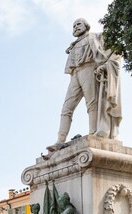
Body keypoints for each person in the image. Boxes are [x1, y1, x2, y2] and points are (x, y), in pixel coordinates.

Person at [50, 17, 122, 150]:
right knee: (66, 108)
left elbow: (114, 47)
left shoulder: (95, 37)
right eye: (74, 26)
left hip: (89, 69)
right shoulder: (73, 45)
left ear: (86, 26)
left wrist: (107, 65)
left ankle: (93, 133)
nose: (76, 27)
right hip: (75, 74)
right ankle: (60, 140)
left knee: (92, 103)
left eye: (79, 24)